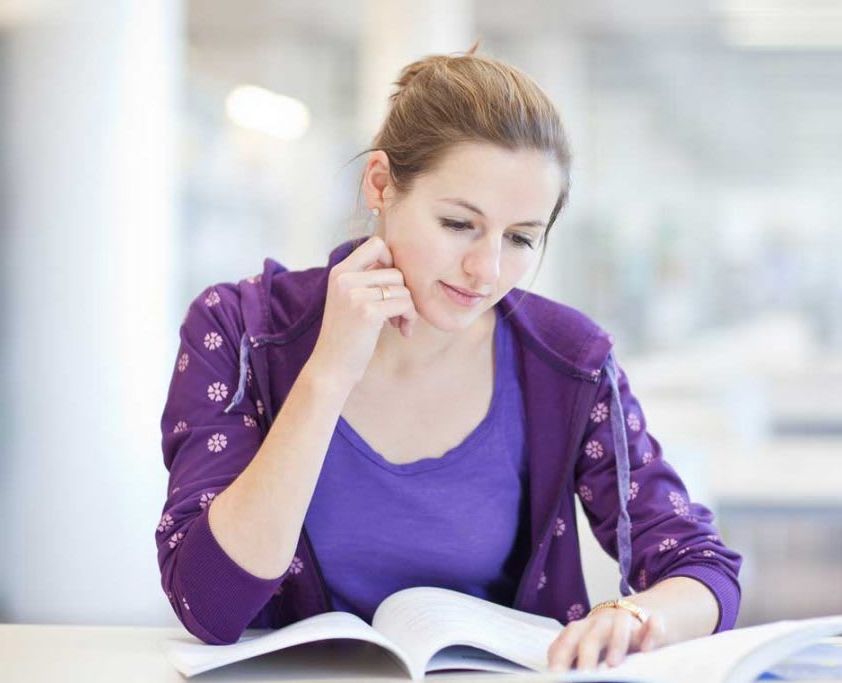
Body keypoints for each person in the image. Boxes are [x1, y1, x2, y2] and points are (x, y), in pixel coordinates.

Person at [156, 45, 742, 672]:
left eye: (520, 238)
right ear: (380, 184)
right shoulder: (239, 329)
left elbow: (703, 569)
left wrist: (632, 616)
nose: (486, 270)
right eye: (459, 224)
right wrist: (329, 373)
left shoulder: (569, 363)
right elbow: (209, 603)